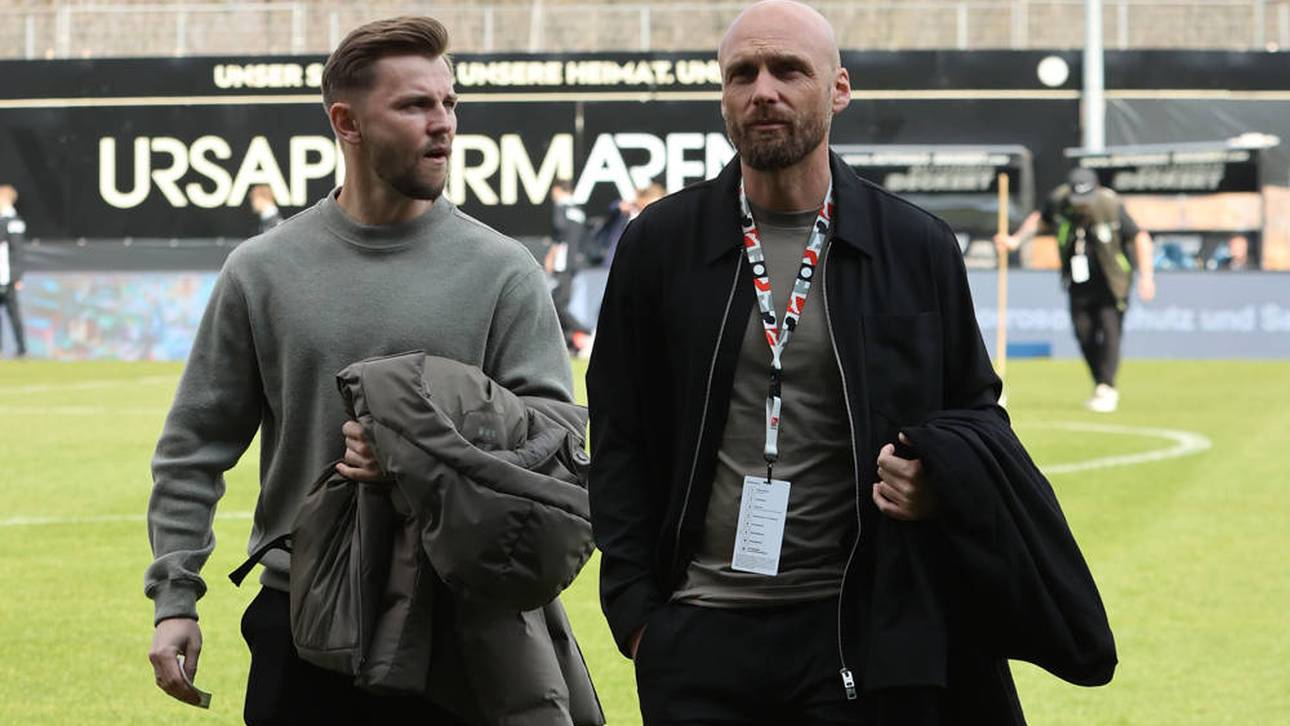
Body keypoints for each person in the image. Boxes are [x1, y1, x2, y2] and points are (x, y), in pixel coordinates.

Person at [588, 2, 1114, 724]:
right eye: (742, 74)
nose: (763, 90)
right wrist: (639, 618)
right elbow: (618, 433)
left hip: (861, 633)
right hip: (697, 633)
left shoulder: (915, 246)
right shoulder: (660, 245)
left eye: (788, 70)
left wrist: (937, 478)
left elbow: (976, 412)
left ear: (838, 89)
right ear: (723, 95)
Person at [145, 16, 572, 724]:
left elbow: (554, 448)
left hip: (459, 622)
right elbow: (194, 447)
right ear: (347, 122)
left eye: (449, 103)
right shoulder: (263, 270)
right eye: (415, 105)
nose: (443, 123)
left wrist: (416, 450)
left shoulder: (504, 271)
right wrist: (174, 598)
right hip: (302, 616)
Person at [998, 166, 1156, 413]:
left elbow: (1140, 237)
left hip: (1112, 282)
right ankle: (1101, 383)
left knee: (1110, 331)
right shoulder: (1059, 201)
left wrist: (1147, 276)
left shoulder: (1110, 204)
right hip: (1077, 282)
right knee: (1084, 333)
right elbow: (1039, 220)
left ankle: (1106, 387)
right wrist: (1015, 241)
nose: (1082, 204)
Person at [546, 179, 592, 354]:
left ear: (558, 190)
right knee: (561, 301)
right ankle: (569, 342)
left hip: (562, 262)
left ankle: (585, 332)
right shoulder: (578, 210)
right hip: (575, 262)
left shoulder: (561, 207)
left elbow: (559, 232)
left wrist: (551, 256)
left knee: (557, 304)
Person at [0, 184, 27, 358]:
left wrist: (17, 276)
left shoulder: (13, 221)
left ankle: (21, 349)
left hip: (7, 277)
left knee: (14, 315)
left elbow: (18, 252)